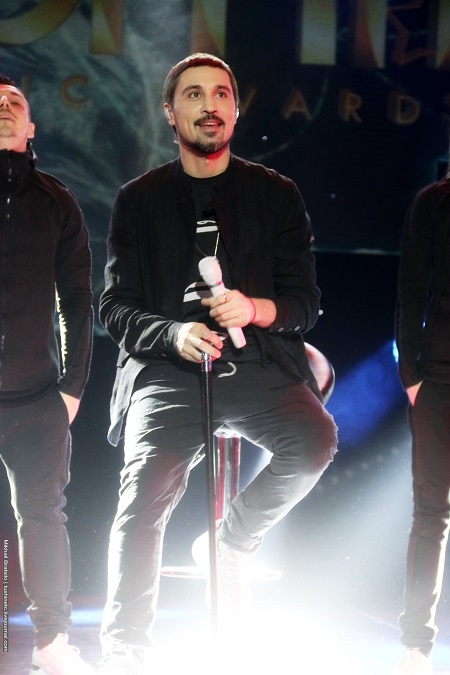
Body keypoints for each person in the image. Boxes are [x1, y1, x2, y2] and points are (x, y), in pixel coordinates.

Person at [98, 53, 338, 674]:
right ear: (170, 112)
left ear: (234, 109)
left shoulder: (276, 194)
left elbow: (305, 303)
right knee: (144, 492)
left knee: (314, 440)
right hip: (170, 369)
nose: (210, 105)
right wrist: (172, 332)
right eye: (194, 94)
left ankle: (230, 541)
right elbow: (114, 306)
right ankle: (125, 647)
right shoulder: (139, 200)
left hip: (256, 361)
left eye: (221, 94)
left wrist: (254, 308)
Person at [0, 76, 94, 674]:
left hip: (37, 396)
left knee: (42, 518)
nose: (4, 107)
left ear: (31, 126)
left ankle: (52, 643)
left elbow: (79, 301)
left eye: (15, 102)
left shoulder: (58, 201)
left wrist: (71, 388)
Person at [394, 156, 450, 675]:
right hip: (439, 378)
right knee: (431, 514)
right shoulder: (434, 202)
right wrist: (412, 374)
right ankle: (416, 645)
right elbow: (410, 291)